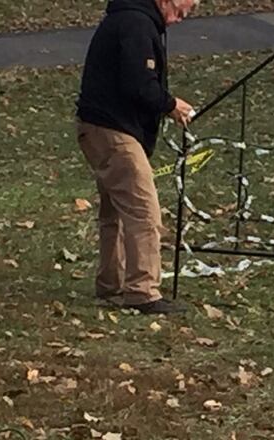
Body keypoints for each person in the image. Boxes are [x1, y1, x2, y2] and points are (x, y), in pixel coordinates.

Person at [75, 0, 197, 314]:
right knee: (143, 211)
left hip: (98, 127)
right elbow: (139, 85)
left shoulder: (131, 18)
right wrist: (171, 105)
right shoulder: (136, 24)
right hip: (113, 130)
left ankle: (111, 283)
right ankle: (143, 292)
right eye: (183, 9)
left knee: (114, 210)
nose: (182, 18)